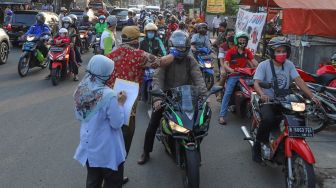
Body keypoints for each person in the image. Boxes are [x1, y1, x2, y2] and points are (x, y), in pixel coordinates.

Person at [105, 25, 182, 182]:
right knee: (123, 141)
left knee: (109, 140)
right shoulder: (139, 55)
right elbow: (161, 62)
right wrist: (174, 53)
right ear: (135, 40)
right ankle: (113, 179)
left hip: (107, 103)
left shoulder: (110, 55)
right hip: (127, 104)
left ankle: (113, 176)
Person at [137, 30, 208, 165]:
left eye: (183, 47)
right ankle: (146, 152)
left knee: (197, 124)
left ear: (187, 47)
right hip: (166, 96)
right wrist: (157, 98)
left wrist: (205, 96)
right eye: (178, 47)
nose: (180, 49)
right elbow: (158, 78)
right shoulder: (166, 60)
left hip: (187, 96)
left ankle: (194, 148)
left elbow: (198, 78)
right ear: (172, 46)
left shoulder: (190, 60)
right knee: (153, 123)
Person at [252, 36, 319, 163]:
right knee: (269, 119)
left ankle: (289, 145)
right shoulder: (263, 65)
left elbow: (298, 80)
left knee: (298, 117)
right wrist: (262, 94)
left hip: (286, 100)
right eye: (278, 51)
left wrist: (312, 96)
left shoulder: (289, 65)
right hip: (269, 101)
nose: (281, 54)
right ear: (272, 52)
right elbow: (257, 83)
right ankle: (257, 144)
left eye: (284, 51)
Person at [73, 55, 127, 188]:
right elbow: (117, 123)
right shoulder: (109, 96)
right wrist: (120, 103)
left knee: (93, 179)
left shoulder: (81, 89)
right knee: (113, 181)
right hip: (107, 149)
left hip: (89, 144)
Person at [218, 31, 258, 125]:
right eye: (240, 40)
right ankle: (222, 116)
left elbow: (254, 61)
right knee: (228, 92)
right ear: (236, 40)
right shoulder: (230, 52)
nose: (242, 42)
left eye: (244, 40)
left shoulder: (247, 51)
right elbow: (225, 64)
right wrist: (231, 70)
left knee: (255, 91)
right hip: (234, 75)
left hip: (246, 75)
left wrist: (260, 66)